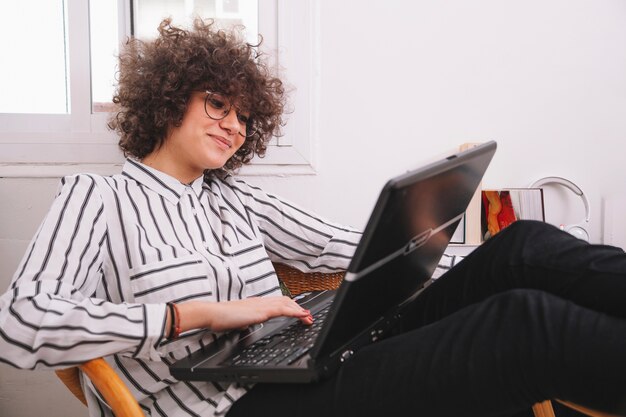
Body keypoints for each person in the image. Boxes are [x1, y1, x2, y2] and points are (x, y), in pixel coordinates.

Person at [1, 18, 626, 417]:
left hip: (309, 358)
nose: (233, 124)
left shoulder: (234, 196)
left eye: (244, 116)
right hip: (229, 408)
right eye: (217, 103)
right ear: (168, 100)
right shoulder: (96, 197)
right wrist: (190, 316)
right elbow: (18, 321)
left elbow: (346, 248)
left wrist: (438, 249)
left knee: (521, 249)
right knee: (523, 323)